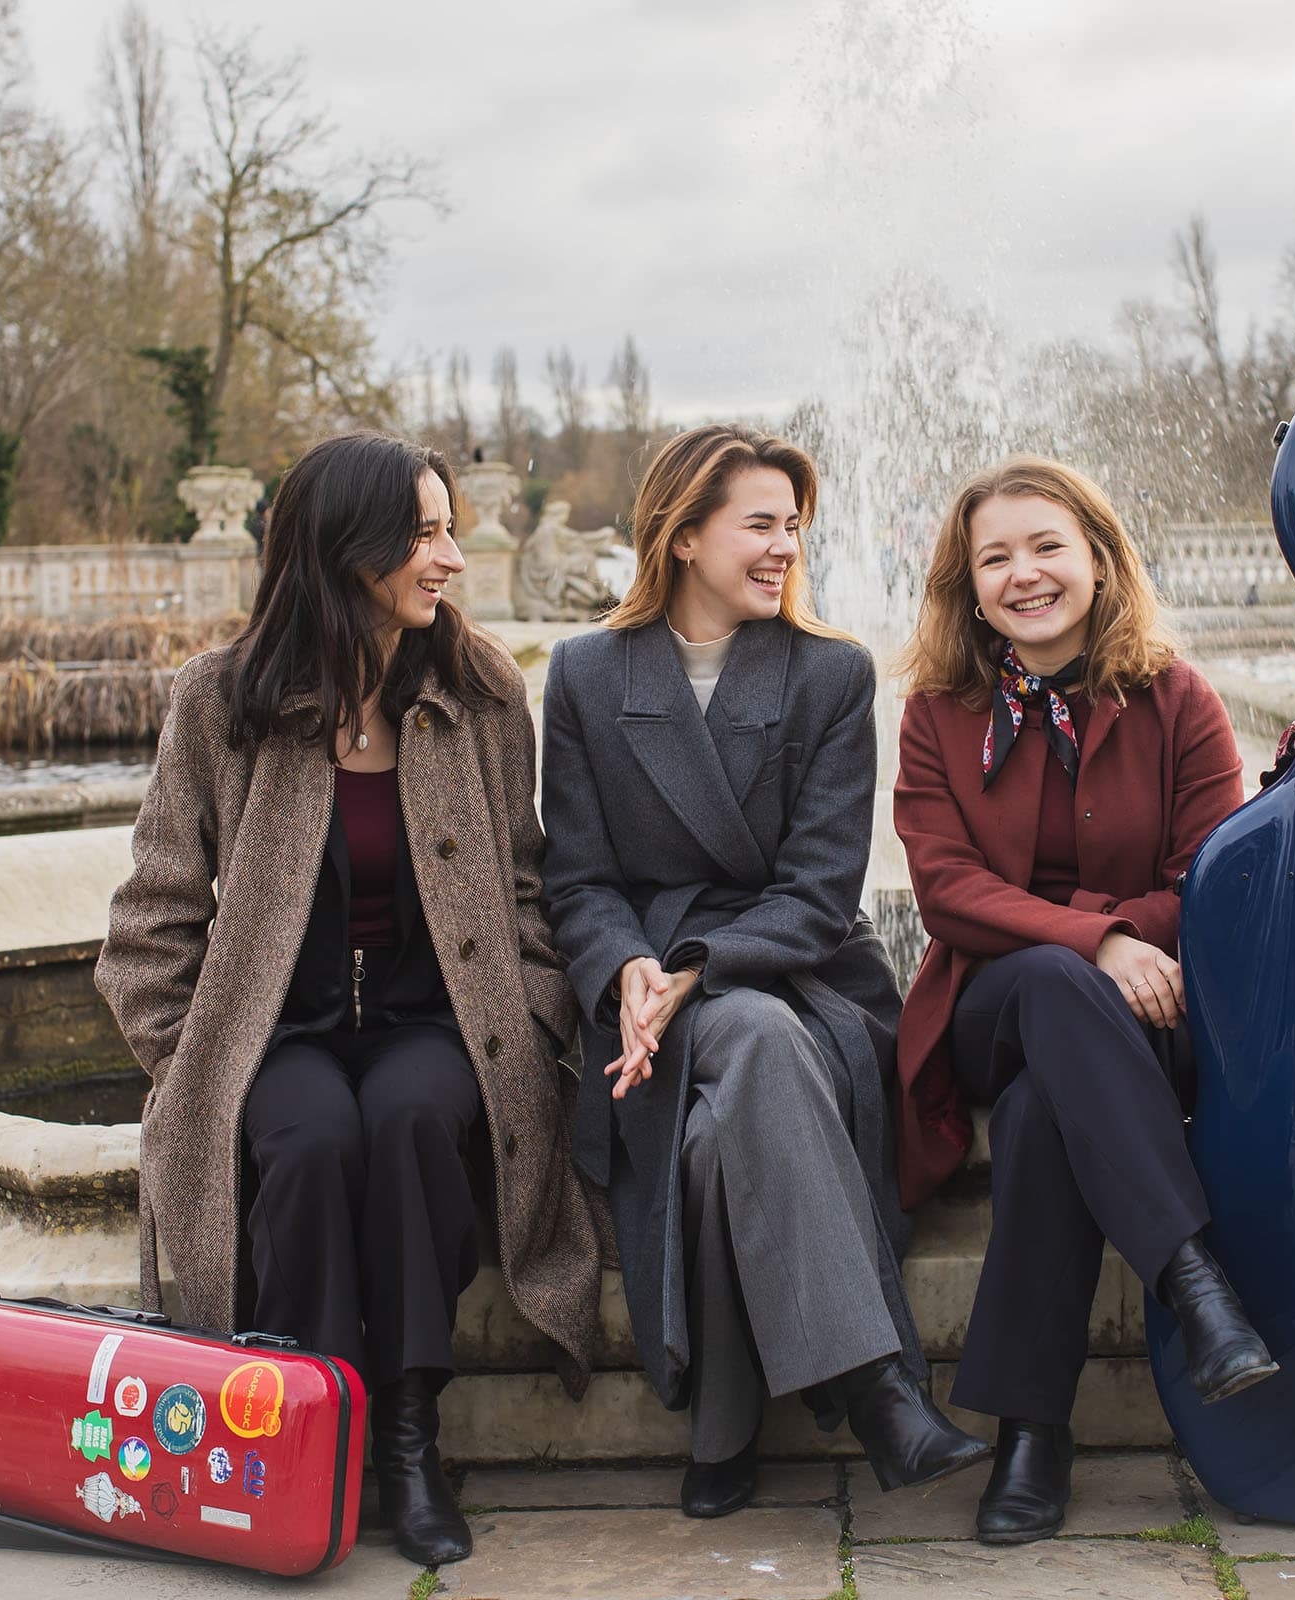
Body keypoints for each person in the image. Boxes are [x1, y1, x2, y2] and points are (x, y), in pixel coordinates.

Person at [96, 430, 601, 1568]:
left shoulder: (479, 692)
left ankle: (411, 1443)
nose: (453, 559)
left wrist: (525, 1018)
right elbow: (152, 920)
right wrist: (194, 1064)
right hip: (281, 1033)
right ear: (348, 546)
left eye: (449, 529)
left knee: (415, 1121)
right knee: (314, 1139)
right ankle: (314, 1438)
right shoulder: (221, 701)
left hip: (437, 1022)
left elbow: (532, 887)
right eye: (426, 534)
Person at [541, 423, 989, 1519]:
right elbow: (578, 880)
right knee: (721, 1098)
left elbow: (822, 891)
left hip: (804, 980)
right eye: (760, 523)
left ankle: (733, 1428)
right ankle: (876, 1389)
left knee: (739, 1068)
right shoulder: (589, 674)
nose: (787, 544)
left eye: (795, 524)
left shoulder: (830, 674)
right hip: (642, 1000)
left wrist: (694, 965)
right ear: (683, 533)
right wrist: (632, 969)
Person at [892, 455, 1277, 1545]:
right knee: (1054, 987)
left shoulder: (1177, 699)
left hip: (1142, 1021)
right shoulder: (938, 714)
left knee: (1040, 1120)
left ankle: (1032, 1435)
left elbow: (1214, 881)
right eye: (996, 558)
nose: (1025, 574)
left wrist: (1115, 949)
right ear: (969, 589)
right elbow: (949, 892)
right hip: (989, 1007)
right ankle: (1194, 1281)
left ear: (1100, 561)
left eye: (1047, 546)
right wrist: (1097, 937)